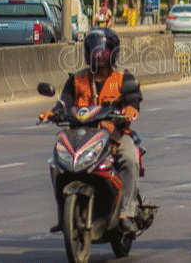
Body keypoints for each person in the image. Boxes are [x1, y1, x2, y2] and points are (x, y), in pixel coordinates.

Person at [39, 27, 143, 234]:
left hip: (115, 135)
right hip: (80, 136)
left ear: (113, 53)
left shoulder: (124, 78)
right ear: (86, 53)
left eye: (103, 51)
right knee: (55, 165)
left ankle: (126, 213)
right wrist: (52, 114)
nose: (98, 55)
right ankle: (64, 215)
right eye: (93, 50)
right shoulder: (76, 80)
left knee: (129, 159)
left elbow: (133, 103)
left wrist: (128, 112)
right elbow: (63, 103)